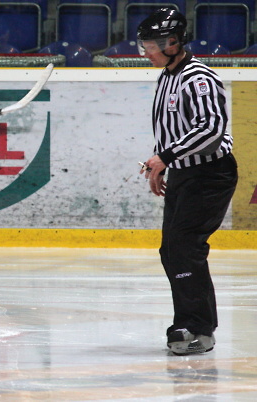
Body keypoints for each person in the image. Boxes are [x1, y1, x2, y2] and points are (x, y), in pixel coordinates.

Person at [137, 8, 238, 355]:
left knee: (184, 246)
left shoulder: (198, 78)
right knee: (172, 249)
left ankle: (198, 328)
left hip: (210, 175)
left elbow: (211, 129)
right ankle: (191, 323)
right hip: (186, 173)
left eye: (151, 45)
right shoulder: (168, 76)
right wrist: (162, 164)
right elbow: (174, 130)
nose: (146, 52)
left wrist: (166, 157)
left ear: (172, 42)